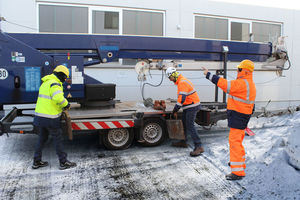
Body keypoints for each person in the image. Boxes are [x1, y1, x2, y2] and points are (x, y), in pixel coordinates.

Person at [202, 59, 256, 180]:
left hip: (238, 116)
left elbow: (225, 85)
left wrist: (208, 75)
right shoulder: (248, 83)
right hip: (241, 116)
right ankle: (239, 163)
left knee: (234, 143)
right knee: (238, 142)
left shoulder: (243, 83)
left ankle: (238, 172)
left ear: (244, 70)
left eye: (239, 68)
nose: (237, 70)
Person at [32, 65, 76, 170]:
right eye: (65, 78)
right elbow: (58, 98)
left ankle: (36, 161)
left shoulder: (46, 82)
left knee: (42, 138)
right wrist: (66, 104)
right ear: (61, 75)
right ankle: (63, 162)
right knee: (58, 139)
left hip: (40, 116)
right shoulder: (55, 84)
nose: (65, 80)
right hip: (50, 118)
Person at [166, 67, 204, 157]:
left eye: (170, 77)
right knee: (184, 123)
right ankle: (183, 141)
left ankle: (199, 146)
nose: (170, 80)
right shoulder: (181, 81)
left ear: (174, 75)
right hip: (189, 106)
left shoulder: (182, 82)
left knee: (190, 125)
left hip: (192, 106)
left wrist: (175, 110)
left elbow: (181, 99)